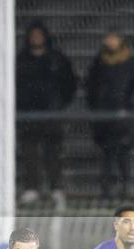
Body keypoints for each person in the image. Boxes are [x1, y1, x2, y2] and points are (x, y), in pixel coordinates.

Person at [16, 19, 77, 206]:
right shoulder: (21, 59)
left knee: (53, 153)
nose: (36, 39)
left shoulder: (56, 59)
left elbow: (70, 83)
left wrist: (59, 104)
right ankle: (31, 189)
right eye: (33, 36)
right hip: (28, 115)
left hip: (52, 114)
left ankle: (56, 189)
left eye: (39, 35)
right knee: (30, 153)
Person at [85, 29, 134, 200]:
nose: (110, 41)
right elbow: (91, 85)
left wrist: (129, 102)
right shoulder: (99, 62)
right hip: (104, 117)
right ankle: (107, 191)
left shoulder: (129, 62)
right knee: (107, 155)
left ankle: (125, 188)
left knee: (123, 154)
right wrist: (96, 105)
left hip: (123, 116)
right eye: (108, 38)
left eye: (114, 38)